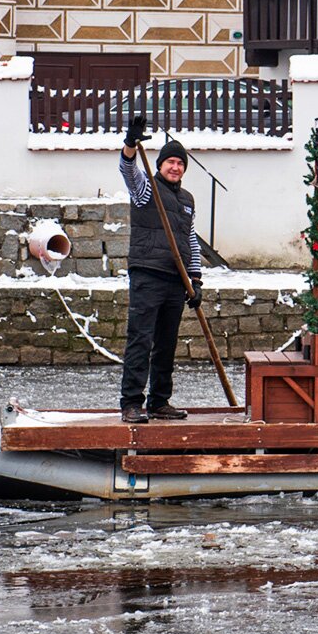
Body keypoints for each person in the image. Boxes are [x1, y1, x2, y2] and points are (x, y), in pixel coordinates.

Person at [117, 116, 202, 425]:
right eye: (170, 162)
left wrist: (195, 279)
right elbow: (128, 170)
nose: (175, 167)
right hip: (148, 273)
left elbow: (190, 240)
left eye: (180, 163)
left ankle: (159, 401)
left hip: (175, 281)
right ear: (161, 164)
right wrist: (130, 144)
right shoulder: (147, 189)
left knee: (166, 343)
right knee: (141, 339)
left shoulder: (188, 200)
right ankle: (131, 403)